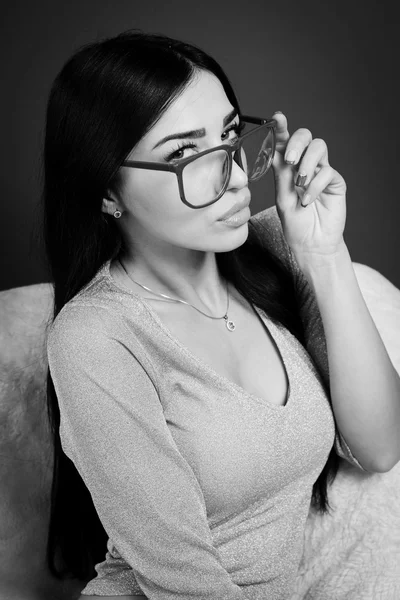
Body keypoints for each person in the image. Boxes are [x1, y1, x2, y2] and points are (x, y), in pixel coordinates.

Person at [43, 29, 400, 600]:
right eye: (185, 154)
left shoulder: (271, 250)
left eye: (231, 136)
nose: (236, 177)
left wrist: (325, 255)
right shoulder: (96, 338)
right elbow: (184, 584)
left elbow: (381, 446)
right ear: (107, 192)